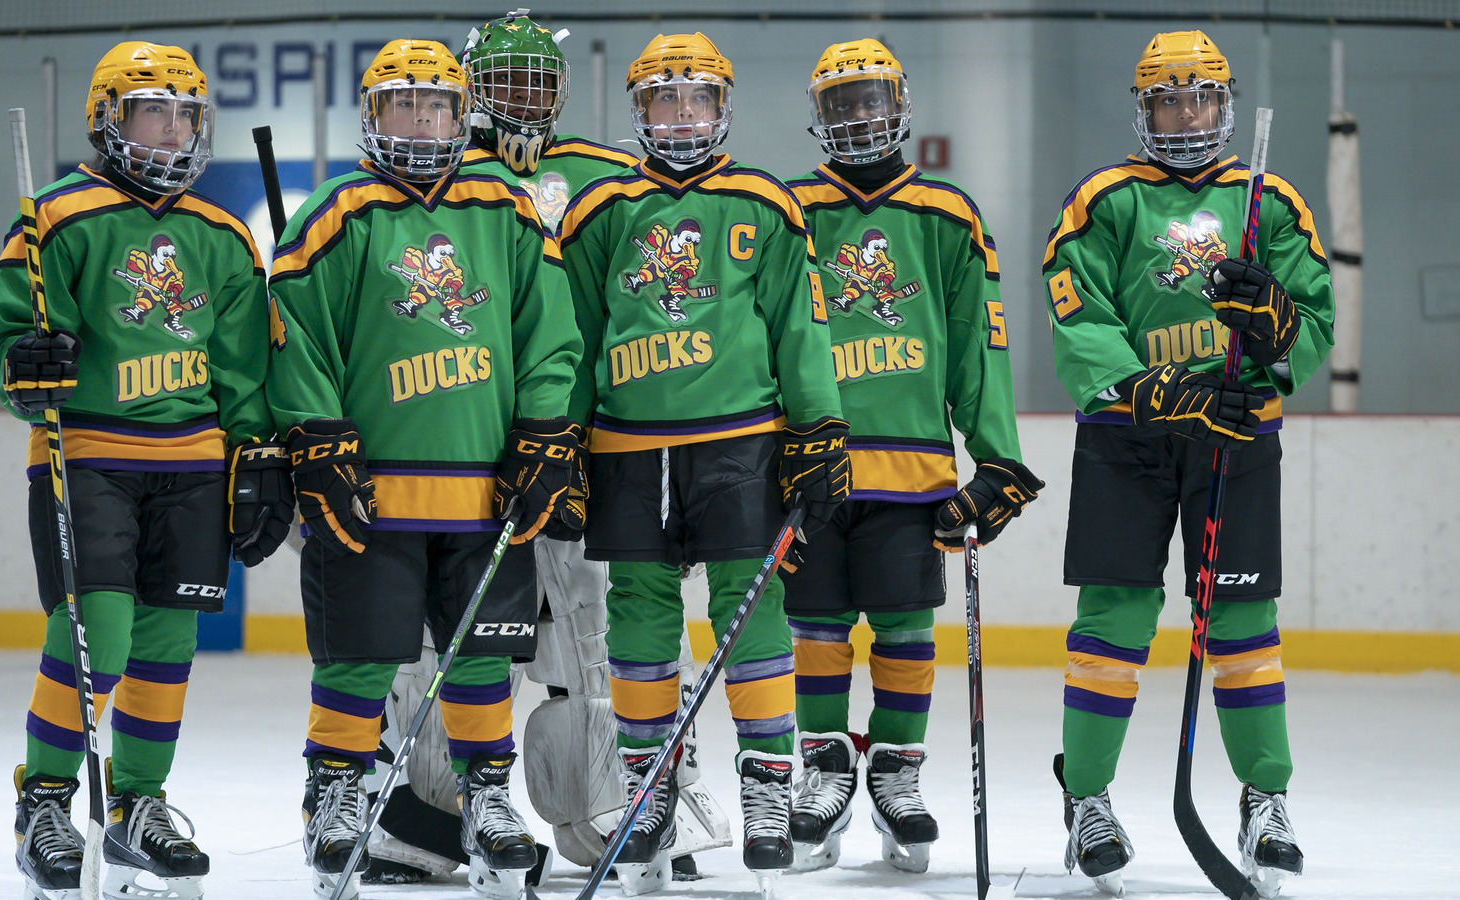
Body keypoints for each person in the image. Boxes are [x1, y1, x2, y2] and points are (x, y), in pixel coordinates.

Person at [365, 11, 733, 887]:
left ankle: (618, 803)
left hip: (581, 445)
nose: (524, 99)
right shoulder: (435, 180)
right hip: (451, 443)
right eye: (504, 83)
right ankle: (425, 810)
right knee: (437, 640)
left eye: (539, 81)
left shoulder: (612, 176)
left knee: (589, 635)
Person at [266, 38, 583, 900]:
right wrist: (318, 436)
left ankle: (488, 796)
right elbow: (296, 337)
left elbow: (549, 333)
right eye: (406, 104)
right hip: (374, 491)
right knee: (362, 654)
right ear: (374, 114)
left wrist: (543, 430)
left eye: (440, 106)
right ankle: (333, 790)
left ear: (462, 113)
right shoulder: (339, 211)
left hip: (486, 487)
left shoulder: (507, 205)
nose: (425, 121)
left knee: (484, 654)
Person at [0, 40, 287, 900]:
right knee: (98, 633)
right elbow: (14, 346)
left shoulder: (223, 233)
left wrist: (257, 452)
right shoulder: (56, 217)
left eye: (187, 112)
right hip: (88, 459)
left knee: (166, 644)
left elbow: (241, 369)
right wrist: (28, 360)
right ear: (109, 118)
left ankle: (138, 807)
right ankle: (44, 801)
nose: (172, 128)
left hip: (193, 465)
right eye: (153, 109)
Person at [555, 32, 851, 898]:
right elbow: (573, 340)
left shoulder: (765, 204)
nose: (681, 115)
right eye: (663, 99)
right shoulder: (601, 209)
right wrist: (557, 439)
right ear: (638, 111)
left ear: (723, 108)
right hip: (627, 444)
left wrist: (819, 426)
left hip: (741, 439)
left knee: (751, 605)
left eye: (697, 99)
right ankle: (649, 789)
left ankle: (766, 786)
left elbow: (803, 326)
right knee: (640, 615)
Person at [1042, 29, 1332, 899]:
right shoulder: (1106, 198)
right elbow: (1076, 313)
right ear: (1144, 108)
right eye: (1170, 98)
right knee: (1115, 622)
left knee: (1243, 627)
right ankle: (1086, 801)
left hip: (1236, 440)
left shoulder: (1269, 200)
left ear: (1226, 103)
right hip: (1130, 440)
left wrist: (1276, 320)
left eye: (1201, 96)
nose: (1188, 113)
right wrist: (1155, 388)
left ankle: (1264, 799)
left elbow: (1312, 317)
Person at [782, 39, 1043, 876]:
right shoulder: (787, 209)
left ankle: (895, 772)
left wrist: (998, 459)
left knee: (901, 626)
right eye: (841, 103)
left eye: (871, 100)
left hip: (909, 473)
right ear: (818, 116)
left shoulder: (947, 213)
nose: (858, 117)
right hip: (813, 469)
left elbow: (979, 346)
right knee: (816, 627)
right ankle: (824, 770)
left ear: (898, 104)